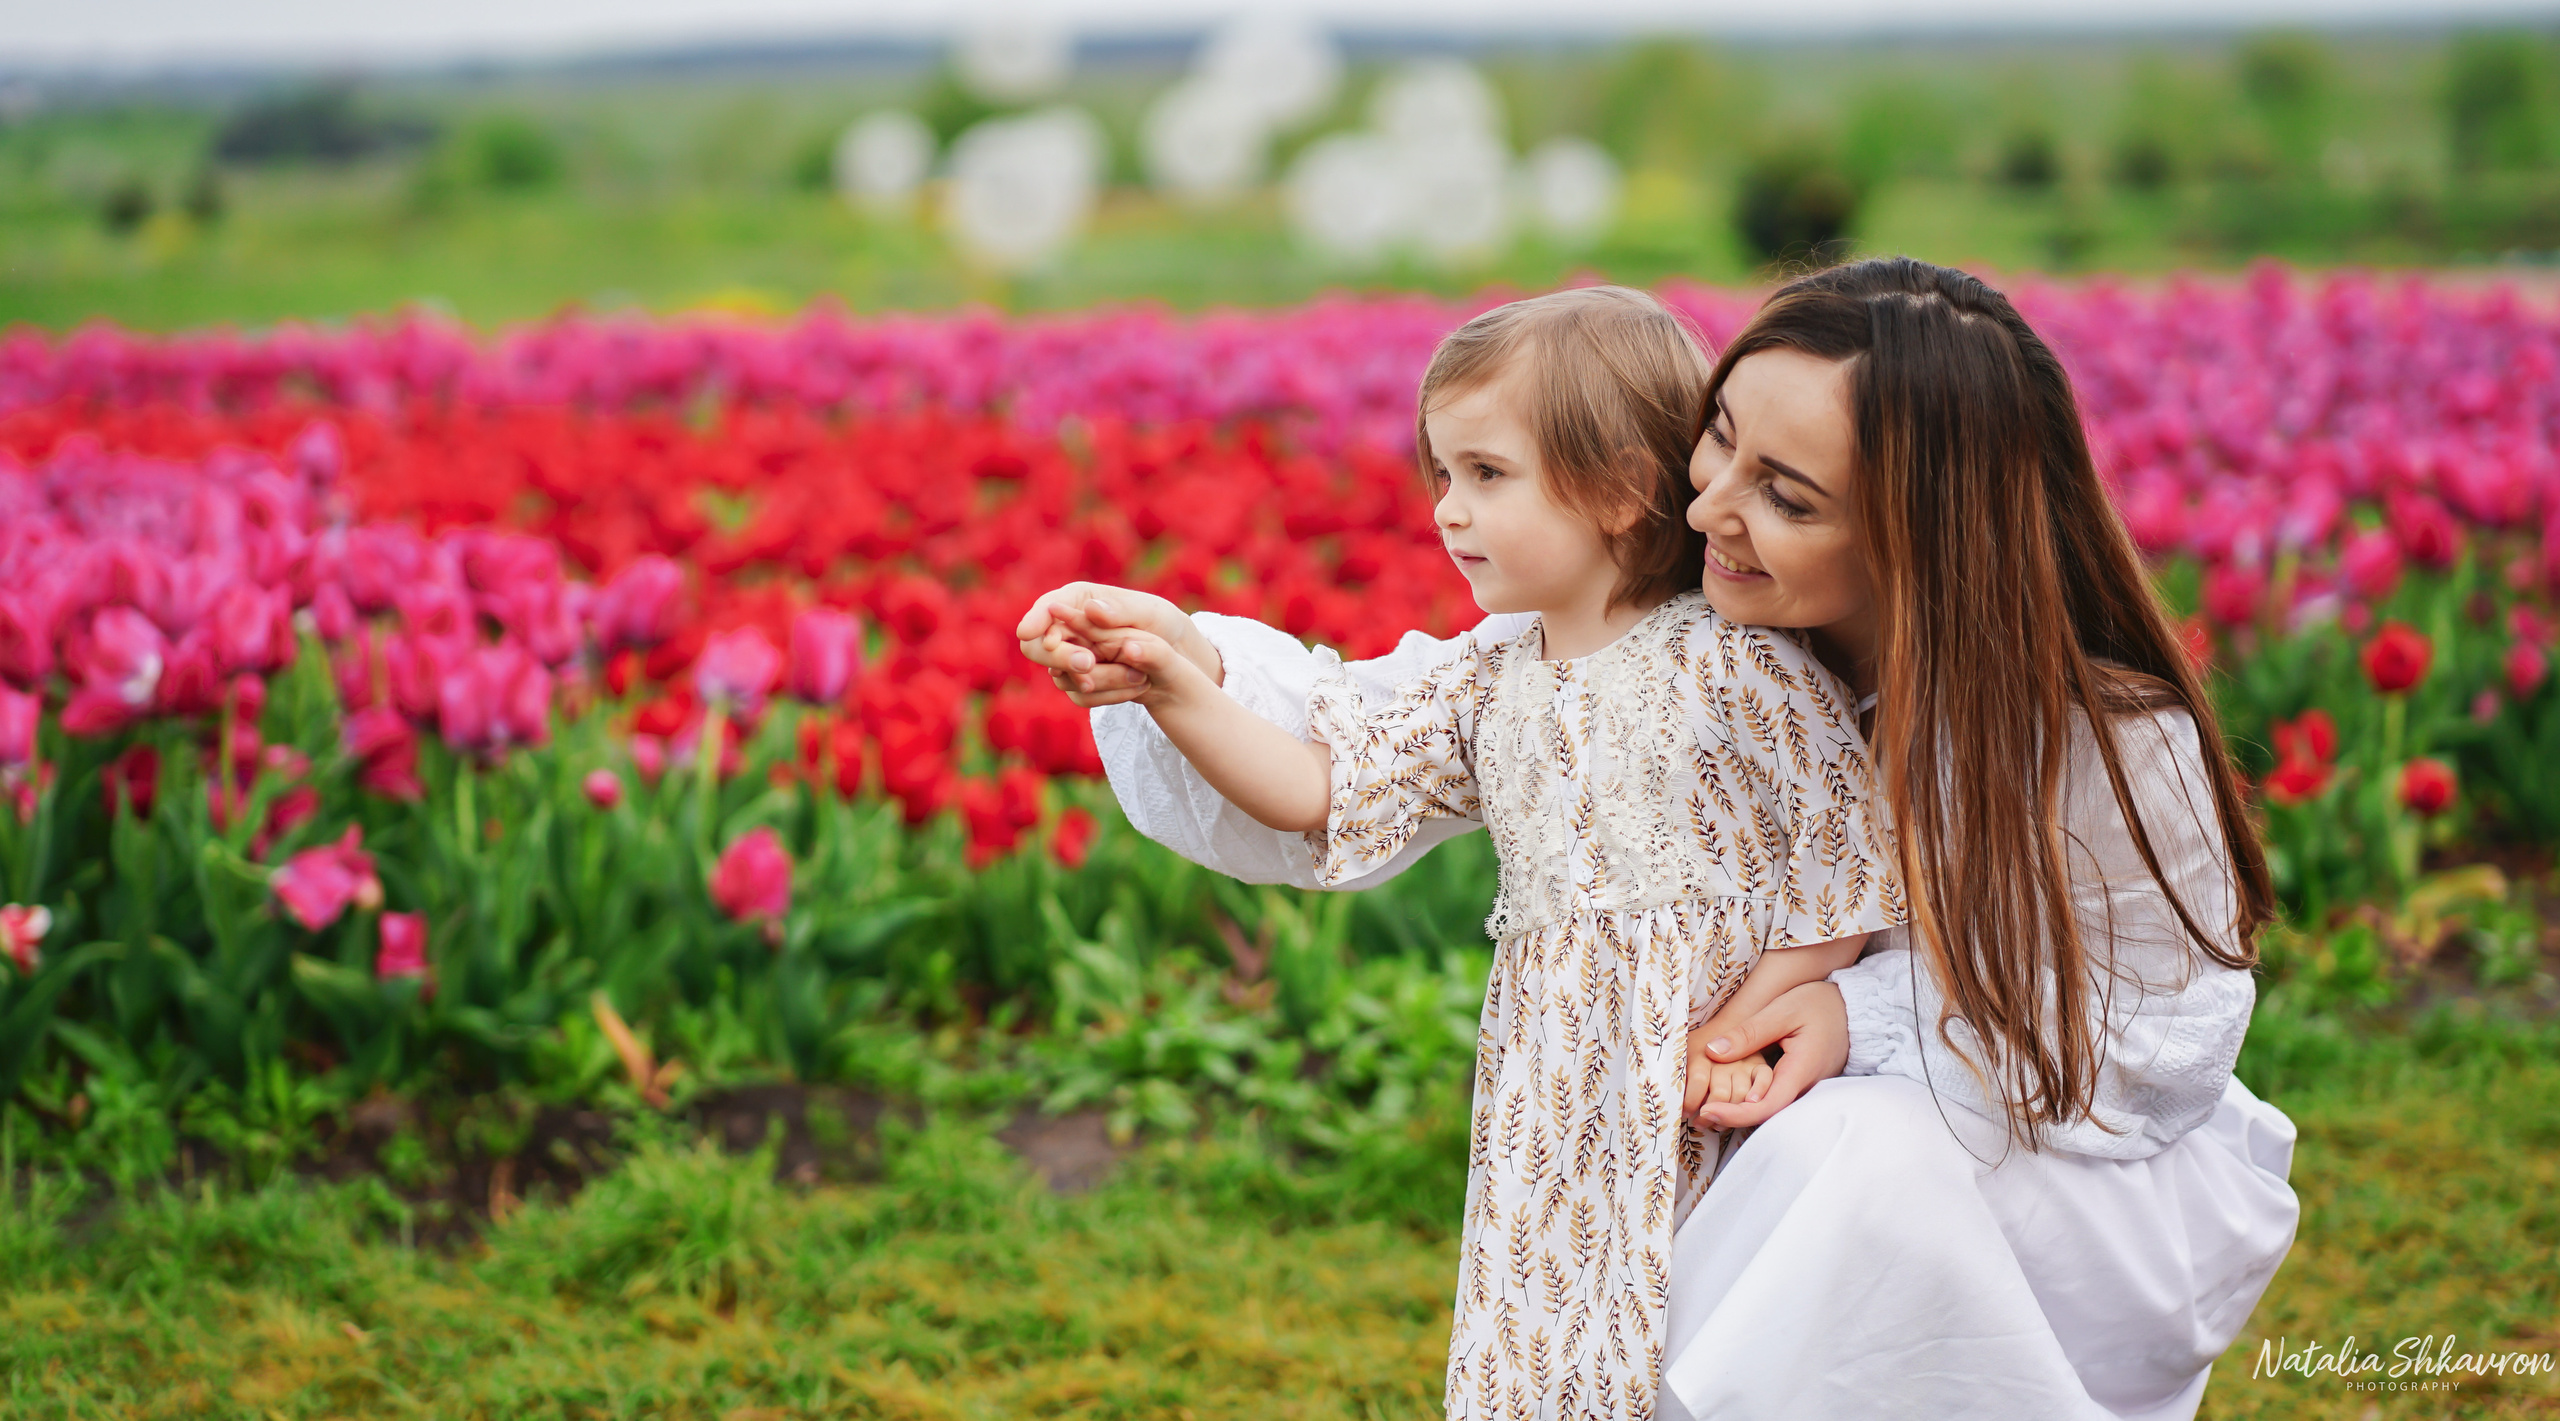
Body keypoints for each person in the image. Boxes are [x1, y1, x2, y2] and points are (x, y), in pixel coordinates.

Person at [1018, 258, 2300, 1421]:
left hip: (2043, 1170)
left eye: (1784, 495)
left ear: (1922, 531)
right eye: (1718, 442)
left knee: (1838, 1160)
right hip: (1668, 1092)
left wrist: (1857, 1017)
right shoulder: (1655, 636)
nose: (1706, 509)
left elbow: (2147, 1029)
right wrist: (1178, 662)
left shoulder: (2091, 742)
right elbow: (1360, 737)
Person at [1043, 285, 1905, 1421]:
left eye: (1486, 475)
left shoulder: (1736, 667)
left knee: (1687, 1327)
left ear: (1617, 489)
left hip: (1695, 1072)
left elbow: (1838, 863)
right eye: (1441, 474)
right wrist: (1175, 686)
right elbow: (1323, 789)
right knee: (1541, 1315)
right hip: (1552, 1078)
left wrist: (1750, 1022)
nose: (1447, 510)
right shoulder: (1488, 681)